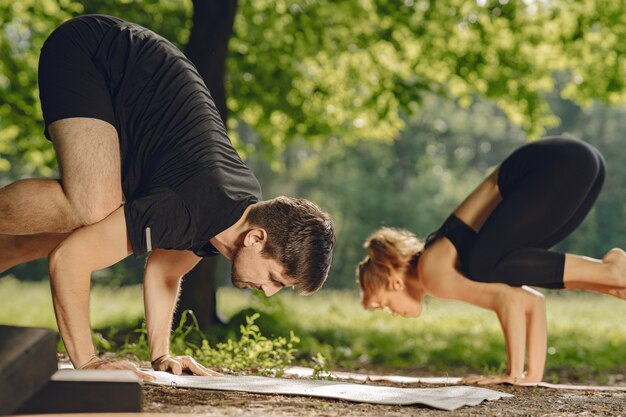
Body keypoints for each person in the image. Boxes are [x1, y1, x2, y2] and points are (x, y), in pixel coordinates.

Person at [0, 15, 335, 379]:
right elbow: (68, 261)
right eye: (275, 278)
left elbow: (163, 273)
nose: (268, 293)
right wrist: (89, 363)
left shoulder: (226, 216)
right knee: (92, 206)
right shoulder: (191, 207)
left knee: (79, 228)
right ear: (257, 238)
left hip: (128, 83)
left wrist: (162, 356)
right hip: (96, 52)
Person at [357, 136, 626, 385]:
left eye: (383, 304)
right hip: (575, 161)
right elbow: (529, 302)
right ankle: (610, 280)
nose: (391, 312)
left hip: (555, 165)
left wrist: (510, 373)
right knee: (502, 266)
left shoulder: (433, 273)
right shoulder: (447, 259)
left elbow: (505, 301)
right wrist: (529, 376)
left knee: (482, 264)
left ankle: (611, 272)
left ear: (393, 281)